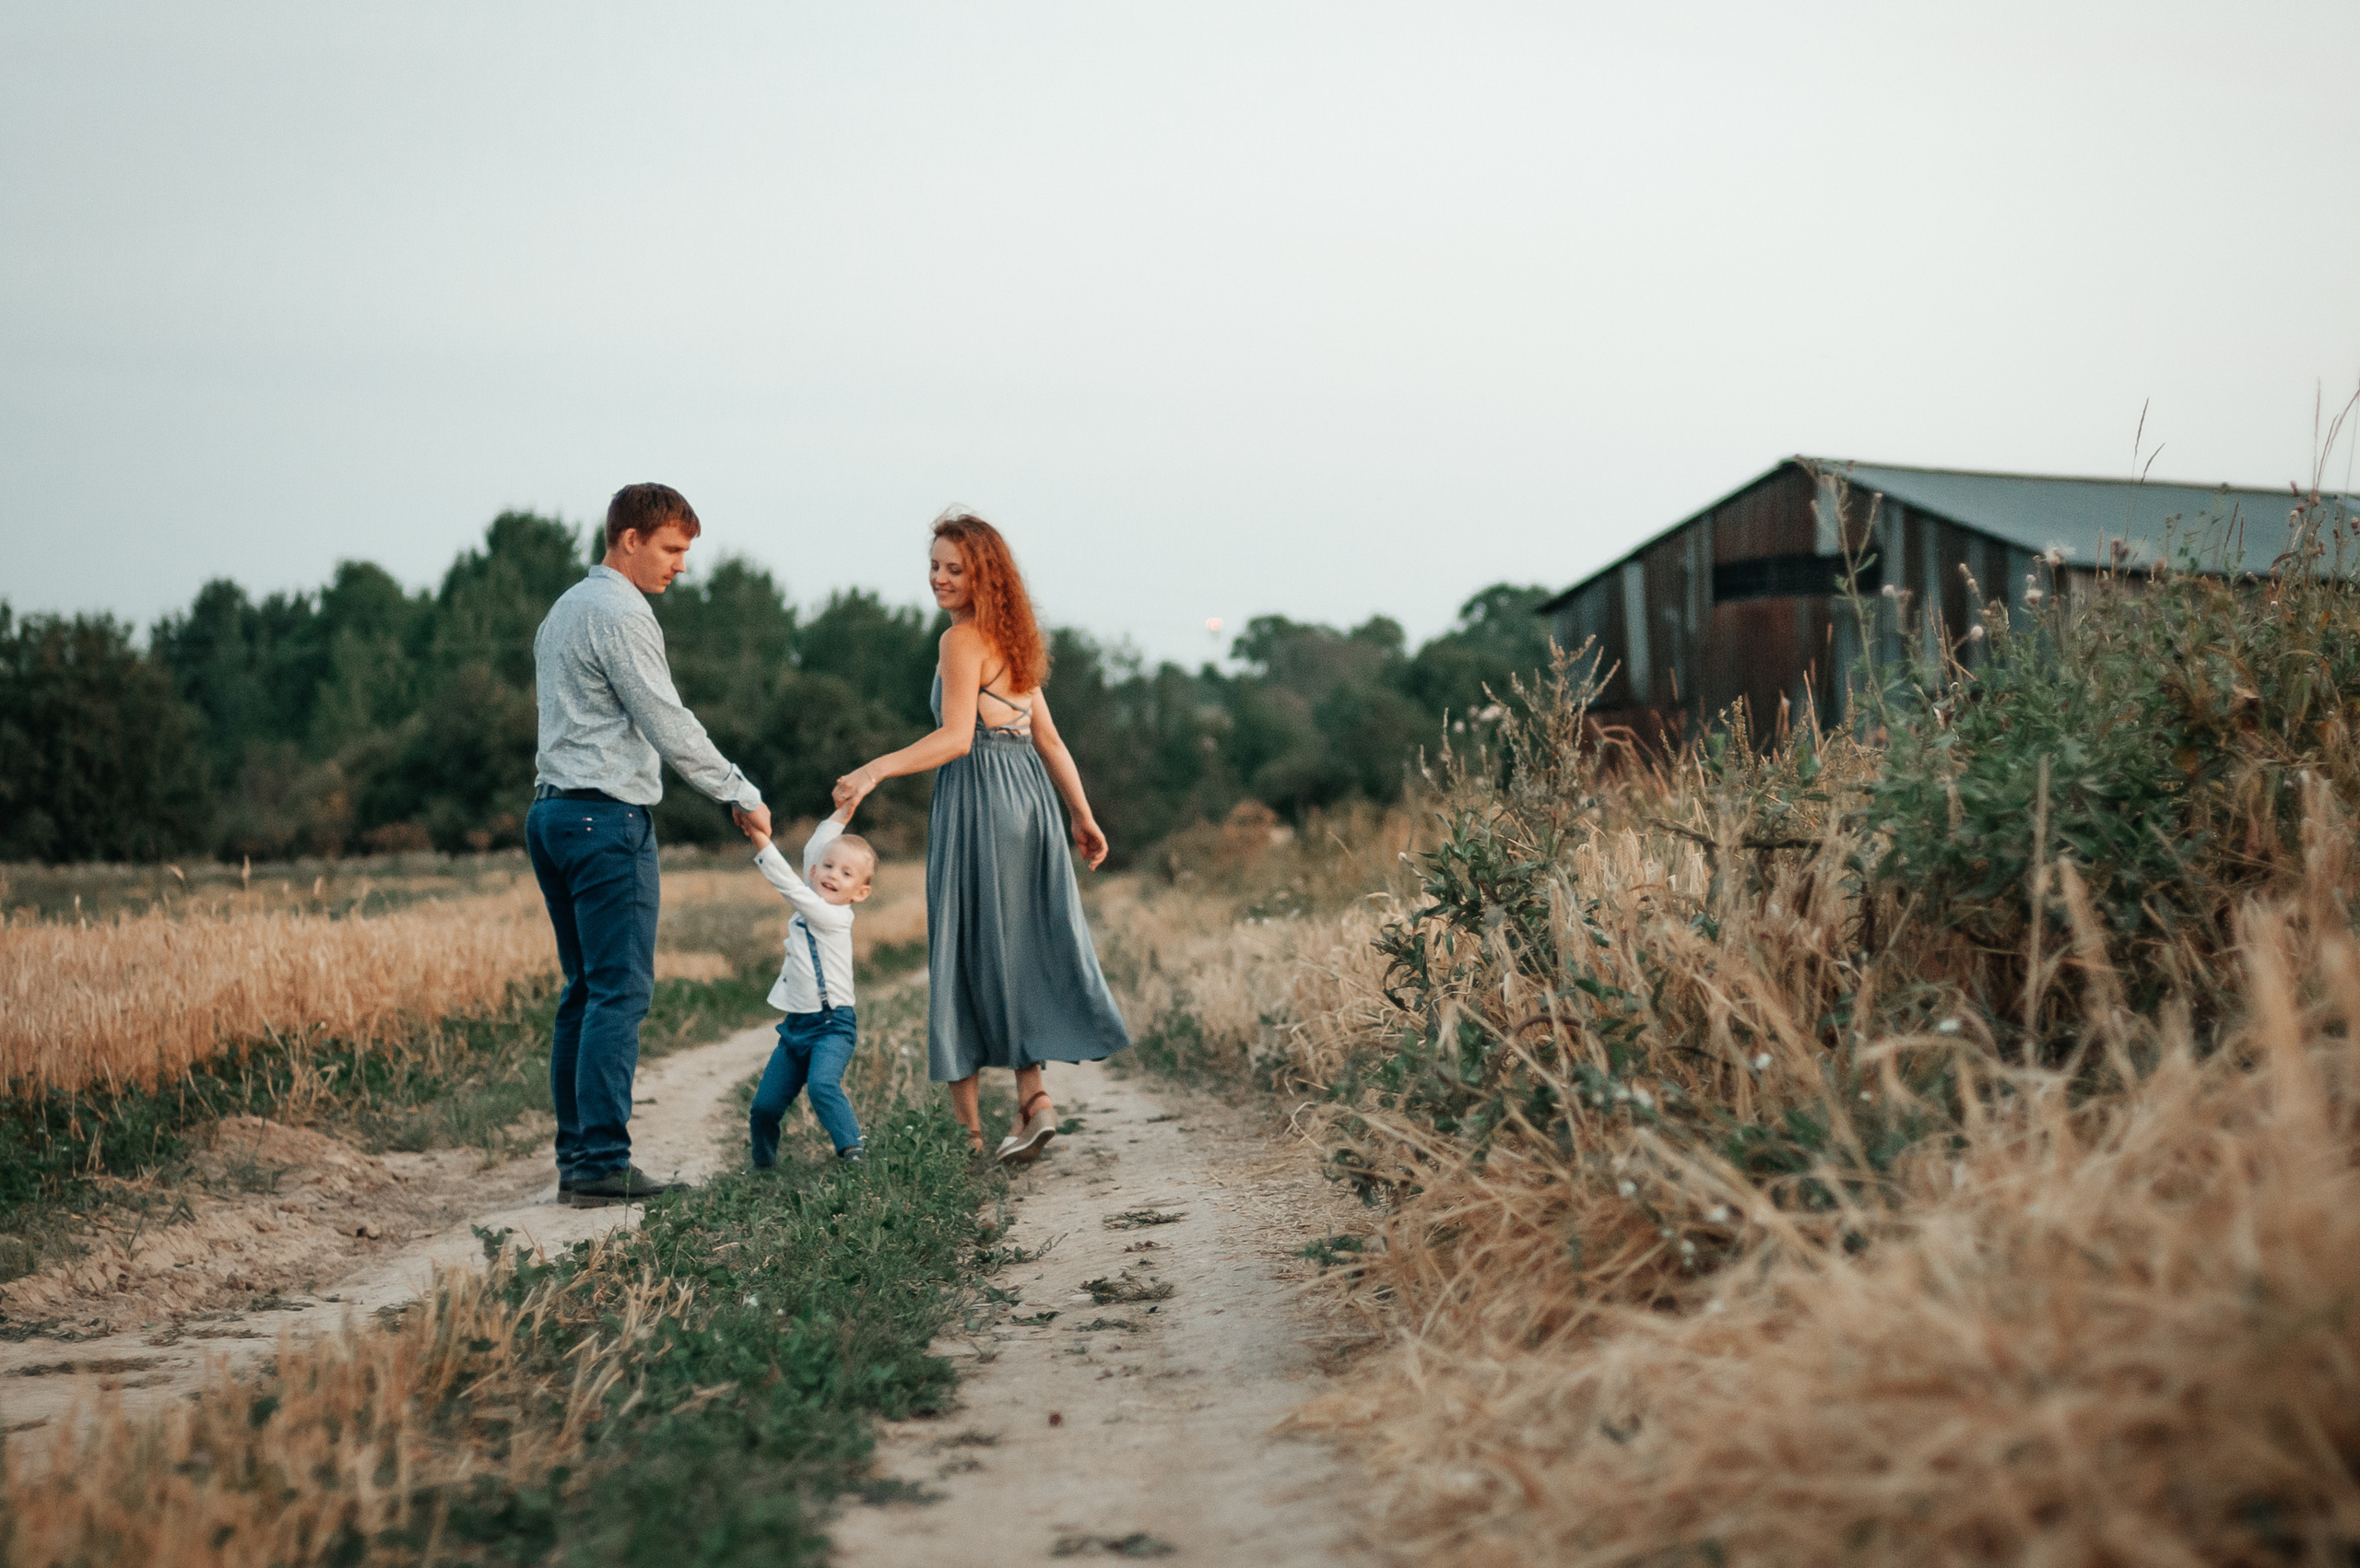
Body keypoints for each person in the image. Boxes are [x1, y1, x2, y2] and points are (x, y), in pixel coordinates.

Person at [832, 509, 1131, 1163]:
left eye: (954, 568)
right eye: (934, 566)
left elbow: (956, 738)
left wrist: (874, 768)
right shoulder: (1015, 638)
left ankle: (970, 1136)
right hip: (1030, 798)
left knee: (965, 946)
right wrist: (1081, 814)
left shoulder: (961, 641)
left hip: (981, 795)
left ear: (982, 575)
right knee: (1018, 944)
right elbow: (1047, 738)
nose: (939, 578)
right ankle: (1034, 1100)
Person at [527, 482, 771, 1209]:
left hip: (553, 816)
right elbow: (667, 720)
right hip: (605, 822)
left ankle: (580, 1160)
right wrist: (738, 789)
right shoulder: (621, 613)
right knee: (618, 993)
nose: (680, 566)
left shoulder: (565, 607)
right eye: (671, 549)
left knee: (584, 992)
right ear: (628, 538)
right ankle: (601, 1161)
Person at [742, 806, 877, 1167]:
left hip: (833, 1025)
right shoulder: (815, 892)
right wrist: (843, 811)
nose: (833, 875)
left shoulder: (832, 916)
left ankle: (852, 1151)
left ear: (860, 893)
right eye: (828, 867)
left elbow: (789, 886)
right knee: (764, 1107)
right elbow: (813, 849)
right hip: (796, 1027)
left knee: (821, 1086)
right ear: (815, 872)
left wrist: (760, 841)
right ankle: (763, 1167)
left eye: (847, 874)